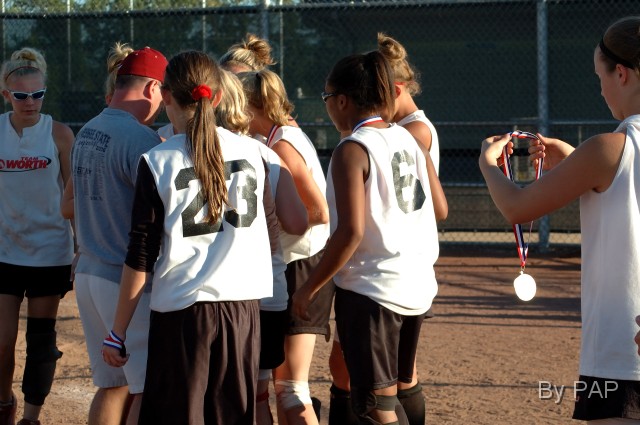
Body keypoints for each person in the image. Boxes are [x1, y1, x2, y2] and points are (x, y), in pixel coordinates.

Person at [480, 15, 640, 423]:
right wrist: (575, 162)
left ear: (621, 73)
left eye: (600, 77)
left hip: (622, 352)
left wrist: (488, 165)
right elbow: (623, 189)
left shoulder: (609, 147)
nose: (601, 88)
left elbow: (517, 207)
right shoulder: (606, 153)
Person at [102, 50, 273, 425]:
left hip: (184, 313)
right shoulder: (256, 152)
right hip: (244, 312)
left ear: (166, 96)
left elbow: (141, 253)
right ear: (220, 96)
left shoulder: (158, 159)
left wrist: (117, 331)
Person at [292, 50, 444, 425]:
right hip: (417, 283)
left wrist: (309, 288)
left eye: (327, 97)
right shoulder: (409, 137)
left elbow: (350, 232)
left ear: (342, 100)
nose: (328, 105)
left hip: (373, 291)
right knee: (399, 388)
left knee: (377, 405)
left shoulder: (352, 148)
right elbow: (440, 208)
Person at [71, 46, 167, 425]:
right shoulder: (141, 140)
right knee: (147, 387)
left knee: (112, 385)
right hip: (125, 283)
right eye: (163, 92)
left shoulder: (87, 130)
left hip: (88, 273)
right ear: (152, 88)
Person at [216, 67, 308, 425]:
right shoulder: (268, 154)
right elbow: (298, 222)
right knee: (257, 397)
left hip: (220, 294)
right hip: (268, 290)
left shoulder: (191, 151)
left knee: (219, 396)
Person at [238, 68, 330, 425]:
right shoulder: (281, 136)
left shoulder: (281, 145)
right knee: (284, 388)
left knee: (291, 389)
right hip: (302, 262)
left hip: (301, 265)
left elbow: (318, 211)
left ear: (251, 106)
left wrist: (264, 225)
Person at [0, 47, 75, 425]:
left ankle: (31, 417)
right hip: (5, 251)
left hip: (50, 252)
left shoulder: (59, 134)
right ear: (6, 95)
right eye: (21, 95)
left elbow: (74, 195)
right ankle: (3, 404)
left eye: (38, 94)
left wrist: (81, 247)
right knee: (2, 341)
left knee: (40, 341)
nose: (30, 102)